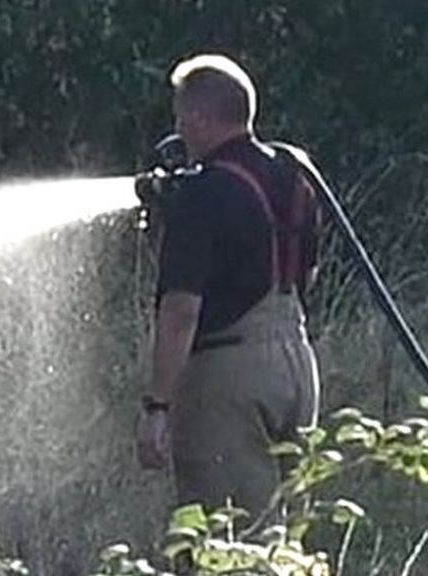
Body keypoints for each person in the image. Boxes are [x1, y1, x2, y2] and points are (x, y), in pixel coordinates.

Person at [135, 53, 323, 517]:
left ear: (200, 117)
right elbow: (307, 274)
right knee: (288, 539)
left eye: (181, 116)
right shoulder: (295, 176)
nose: (178, 128)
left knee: (225, 540)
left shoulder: (203, 193)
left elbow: (180, 311)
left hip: (227, 376)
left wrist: (157, 406)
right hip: (298, 366)